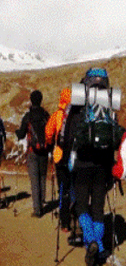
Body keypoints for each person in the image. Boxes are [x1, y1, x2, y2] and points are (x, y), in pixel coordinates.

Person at [71, 68, 119, 266]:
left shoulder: (81, 102)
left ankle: (90, 240)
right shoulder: (110, 104)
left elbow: (72, 132)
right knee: (98, 208)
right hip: (102, 164)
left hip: (82, 163)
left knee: (82, 205)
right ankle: (98, 247)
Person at [46, 87, 75, 239]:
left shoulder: (57, 115)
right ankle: (75, 217)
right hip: (75, 158)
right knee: (74, 188)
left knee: (63, 189)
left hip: (59, 156)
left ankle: (65, 223)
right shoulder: (77, 114)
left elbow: (48, 133)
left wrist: (50, 145)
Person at [15, 90, 50, 217]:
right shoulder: (46, 115)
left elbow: (22, 134)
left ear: (31, 100)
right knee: (42, 177)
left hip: (32, 151)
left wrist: (17, 132)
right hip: (44, 151)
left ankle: (37, 210)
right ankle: (42, 202)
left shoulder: (28, 116)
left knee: (34, 180)